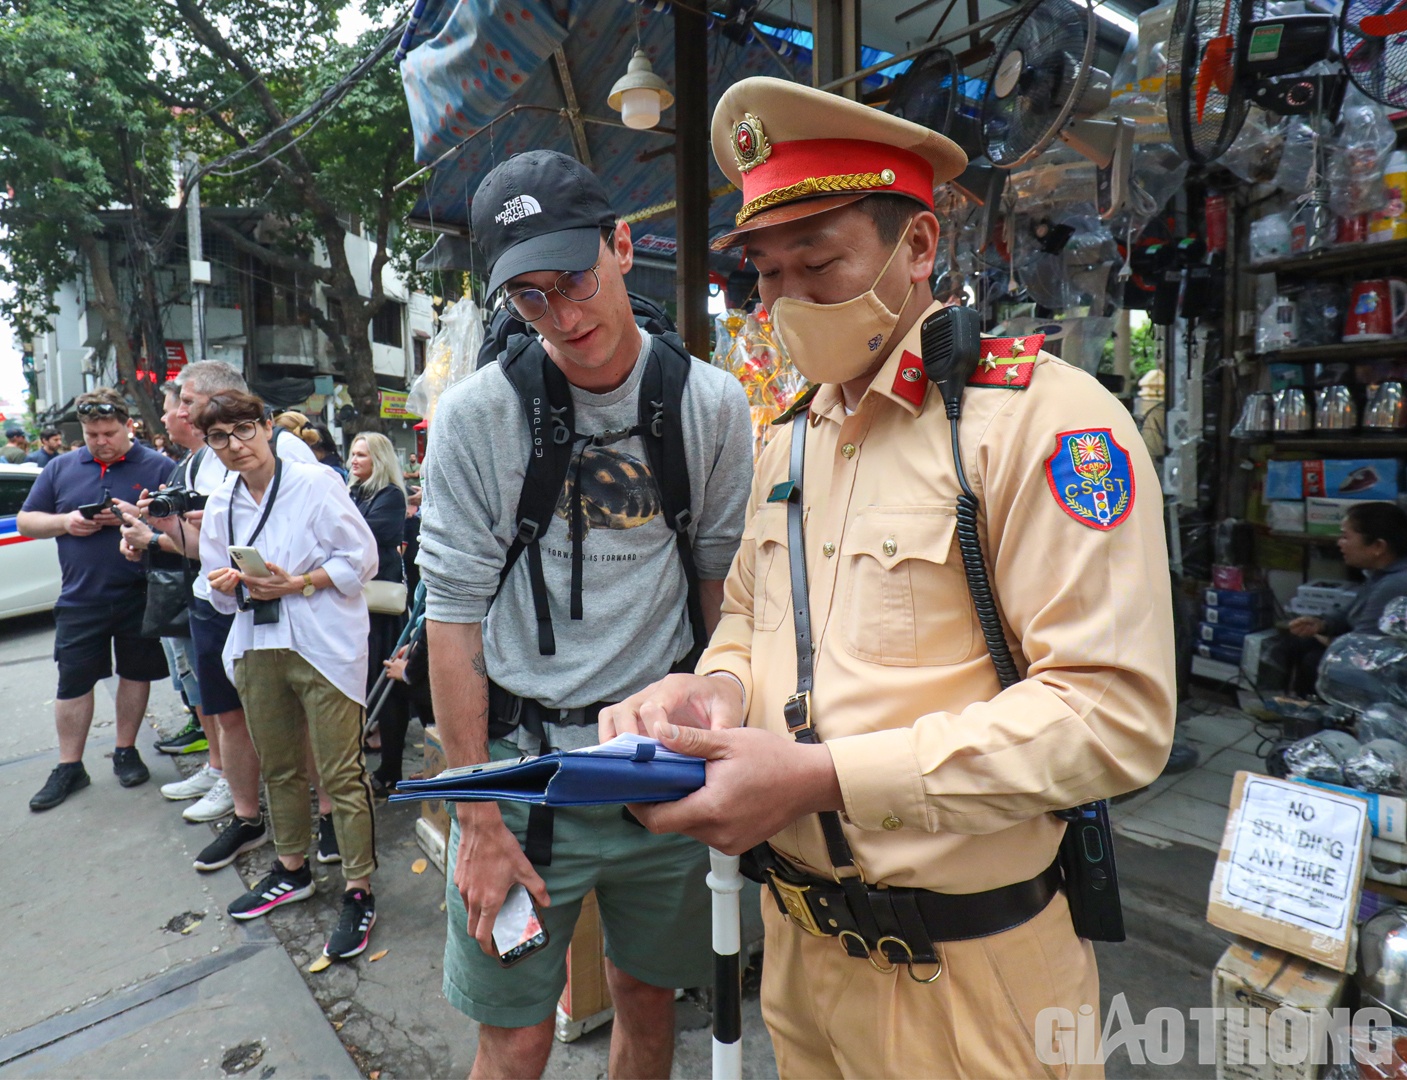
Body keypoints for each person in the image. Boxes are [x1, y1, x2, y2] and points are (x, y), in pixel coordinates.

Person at [600, 77, 1177, 1079]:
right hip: (801, 962)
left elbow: (1111, 714)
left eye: (819, 263)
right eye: (766, 275)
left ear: (917, 246)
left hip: (973, 982)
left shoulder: (1041, 423)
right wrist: (712, 690)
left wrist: (826, 777)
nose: (785, 302)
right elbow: (746, 622)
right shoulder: (789, 441)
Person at [419, 149, 752, 1078]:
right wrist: (476, 818)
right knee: (516, 1034)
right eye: (530, 298)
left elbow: (723, 594)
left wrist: (728, 746)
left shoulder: (711, 405)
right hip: (523, 777)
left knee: (647, 999)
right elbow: (453, 618)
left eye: (574, 279)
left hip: (662, 766)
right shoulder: (477, 417)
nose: (564, 316)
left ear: (621, 246)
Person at [196, 390, 382, 960]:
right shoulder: (221, 502)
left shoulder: (314, 483)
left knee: (341, 770)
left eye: (244, 429)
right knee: (278, 766)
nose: (235, 445)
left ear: (267, 427)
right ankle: (292, 868)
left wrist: (298, 583)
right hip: (258, 643)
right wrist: (229, 585)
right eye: (219, 437)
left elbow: (361, 559)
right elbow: (213, 590)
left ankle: (359, 888)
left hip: (323, 643)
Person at [140, 360, 322, 871]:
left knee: (299, 716)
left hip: (274, 600)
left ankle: (327, 815)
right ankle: (247, 818)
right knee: (226, 712)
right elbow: (201, 547)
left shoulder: (286, 448)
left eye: (187, 401)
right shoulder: (201, 457)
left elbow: (319, 534)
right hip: (212, 598)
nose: (179, 411)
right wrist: (161, 529)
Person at [17, 388, 175, 810]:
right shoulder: (61, 467)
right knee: (73, 681)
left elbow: (181, 526)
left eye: (109, 433)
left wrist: (137, 516)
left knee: (135, 674)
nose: (101, 442)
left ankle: (126, 750)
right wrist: (66, 522)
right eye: (92, 435)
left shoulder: (158, 465)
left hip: (140, 592)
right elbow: (27, 520)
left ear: (128, 426)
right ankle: (70, 765)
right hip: (80, 596)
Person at [1286, 502, 1407, 694]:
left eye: (1345, 537)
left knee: (1315, 660)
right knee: (1299, 642)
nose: (1339, 543)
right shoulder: (1379, 574)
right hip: (1363, 650)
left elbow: (1363, 647)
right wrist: (1322, 624)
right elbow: (1350, 612)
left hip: (1384, 670)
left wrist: (1329, 639)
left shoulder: (1395, 584)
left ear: (1378, 546)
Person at [346, 432, 409, 795]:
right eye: (353, 454)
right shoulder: (353, 492)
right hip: (354, 602)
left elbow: (361, 537)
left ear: (379, 460)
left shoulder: (390, 495)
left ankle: (390, 770)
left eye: (362, 455)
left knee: (388, 686)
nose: (354, 460)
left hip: (381, 607)